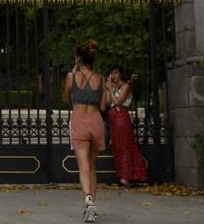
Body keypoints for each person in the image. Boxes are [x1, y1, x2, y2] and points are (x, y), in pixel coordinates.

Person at [63, 40, 106, 223]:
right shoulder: (101, 79)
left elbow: (65, 98)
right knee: (93, 167)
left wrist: (74, 72)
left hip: (79, 120)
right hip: (96, 121)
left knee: (83, 167)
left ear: (78, 58)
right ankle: (92, 208)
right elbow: (103, 106)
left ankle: (88, 201)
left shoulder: (71, 77)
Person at [106, 66, 147, 186]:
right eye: (111, 73)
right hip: (113, 117)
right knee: (117, 145)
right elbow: (109, 103)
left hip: (121, 116)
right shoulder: (112, 86)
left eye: (116, 72)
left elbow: (118, 102)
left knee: (125, 145)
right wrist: (109, 89)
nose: (113, 75)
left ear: (120, 74)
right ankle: (122, 174)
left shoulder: (126, 86)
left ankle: (126, 176)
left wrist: (111, 90)